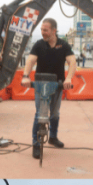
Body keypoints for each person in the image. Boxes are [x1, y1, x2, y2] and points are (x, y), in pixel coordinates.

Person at [20, 18, 75, 157]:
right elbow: (31, 60)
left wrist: (68, 78)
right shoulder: (39, 45)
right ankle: (36, 143)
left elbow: (72, 61)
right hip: (40, 85)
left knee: (55, 114)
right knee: (40, 114)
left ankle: (53, 137)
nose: (43, 32)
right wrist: (26, 75)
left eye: (45, 30)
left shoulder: (63, 45)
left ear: (54, 30)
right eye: (42, 30)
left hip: (57, 85)